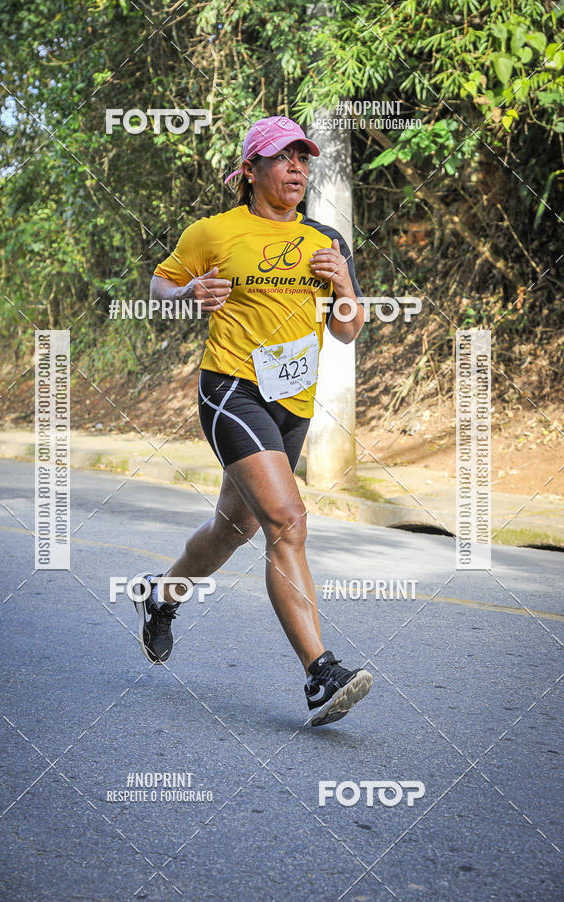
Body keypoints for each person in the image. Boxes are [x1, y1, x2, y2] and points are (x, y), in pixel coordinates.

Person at [136, 115, 372, 727]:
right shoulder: (214, 232)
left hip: (292, 403)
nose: (297, 168)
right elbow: (160, 286)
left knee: (231, 529)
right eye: (283, 157)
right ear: (251, 171)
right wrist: (191, 296)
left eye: (303, 158)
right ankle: (321, 673)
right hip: (231, 391)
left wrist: (345, 282)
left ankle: (160, 596)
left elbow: (347, 329)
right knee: (287, 521)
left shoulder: (325, 239)